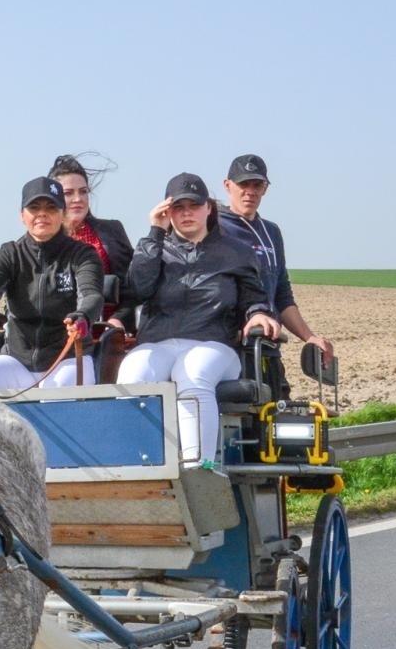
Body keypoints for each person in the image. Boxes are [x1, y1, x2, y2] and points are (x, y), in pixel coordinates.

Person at [116, 173, 279, 466]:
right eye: (179, 207)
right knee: (133, 371)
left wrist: (258, 315)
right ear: (167, 212)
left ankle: (198, 469)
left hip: (215, 345)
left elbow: (254, 299)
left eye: (194, 205)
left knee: (192, 370)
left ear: (209, 208)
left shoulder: (236, 253)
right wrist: (155, 232)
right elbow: (137, 290)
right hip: (159, 342)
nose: (187, 212)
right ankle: (139, 467)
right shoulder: (154, 250)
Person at [0, 176, 104, 389]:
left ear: (63, 214)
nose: (42, 213)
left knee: (57, 392)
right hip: (16, 361)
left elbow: (91, 295)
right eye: (34, 207)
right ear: (23, 215)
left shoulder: (83, 255)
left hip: (68, 359)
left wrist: (82, 317)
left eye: (51, 207)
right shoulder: (9, 254)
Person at [216, 153, 334, 363]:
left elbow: (282, 295)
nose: (250, 192)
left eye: (257, 185)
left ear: (266, 188)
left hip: (268, 345)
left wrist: (309, 337)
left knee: (278, 396)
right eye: (243, 184)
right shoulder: (214, 228)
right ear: (227, 185)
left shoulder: (271, 232)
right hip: (229, 348)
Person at [49, 153, 134, 328]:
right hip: (55, 336)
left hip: (107, 332)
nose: (78, 199)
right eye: (68, 193)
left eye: (83, 191)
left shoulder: (112, 231)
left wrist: (118, 320)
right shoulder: (38, 241)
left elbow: (132, 290)